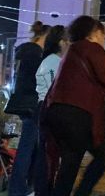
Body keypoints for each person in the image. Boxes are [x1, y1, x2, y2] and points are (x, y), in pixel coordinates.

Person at [44, 16, 105, 196]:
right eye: (103, 34)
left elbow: (94, 83)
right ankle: (82, 192)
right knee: (104, 155)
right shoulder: (91, 48)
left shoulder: (71, 51)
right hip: (79, 115)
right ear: (94, 33)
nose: (104, 39)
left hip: (57, 111)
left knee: (69, 164)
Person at [8, 21, 49, 196]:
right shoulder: (34, 53)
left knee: (32, 147)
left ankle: (26, 188)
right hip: (32, 104)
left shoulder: (27, 52)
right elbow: (36, 81)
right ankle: (17, 190)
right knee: (27, 148)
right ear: (45, 37)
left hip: (25, 103)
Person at [34, 24, 68, 195]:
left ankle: (44, 189)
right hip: (50, 108)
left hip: (44, 108)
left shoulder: (48, 60)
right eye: (68, 41)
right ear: (62, 42)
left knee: (47, 154)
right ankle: (45, 191)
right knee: (50, 156)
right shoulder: (55, 62)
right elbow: (55, 90)